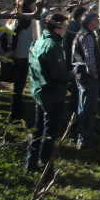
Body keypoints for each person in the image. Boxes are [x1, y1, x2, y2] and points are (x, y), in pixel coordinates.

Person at [27, 13, 73, 180]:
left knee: (37, 129)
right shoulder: (52, 46)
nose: (66, 29)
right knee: (49, 133)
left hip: (39, 91)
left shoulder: (37, 42)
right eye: (64, 26)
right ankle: (46, 169)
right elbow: (58, 74)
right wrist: (71, 75)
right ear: (57, 28)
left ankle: (31, 162)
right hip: (51, 94)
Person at [72, 12, 100, 149]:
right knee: (88, 109)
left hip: (80, 75)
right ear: (91, 22)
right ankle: (86, 141)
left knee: (83, 106)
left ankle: (82, 137)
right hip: (88, 77)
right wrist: (95, 75)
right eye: (97, 20)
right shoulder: (88, 36)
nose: (98, 22)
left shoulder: (80, 33)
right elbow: (89, 58)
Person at [10, 0, 37, 122]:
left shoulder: (16, 15)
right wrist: (14, 49)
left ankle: (15, 111)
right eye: (34, 4)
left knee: (17, 85)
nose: (36, 6)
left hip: (20, 53)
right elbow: (15, 32)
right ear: (29, 5)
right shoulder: (25, 18)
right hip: (21, 54)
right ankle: (16, 114)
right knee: (19, 86)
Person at [63, 6, 86, 119]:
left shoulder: (73, 25)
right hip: (73, 61)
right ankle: (74, 114)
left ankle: (74, 112)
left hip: (71, 60)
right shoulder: (75, 28)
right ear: (79, 16)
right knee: (76, 90)